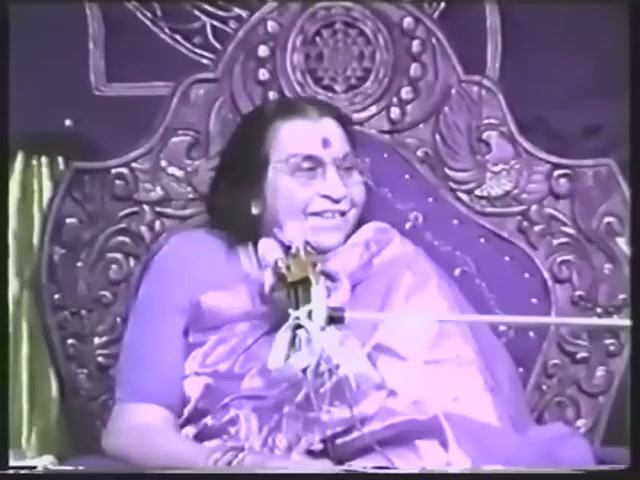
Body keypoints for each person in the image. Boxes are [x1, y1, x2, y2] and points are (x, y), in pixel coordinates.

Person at [101, 97, 596, 470]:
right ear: (253, 191)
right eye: (308, 170)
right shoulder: (192, 260)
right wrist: (251, 466)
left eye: (347, 169)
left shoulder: (389, 269)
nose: (338, 191)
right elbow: (132, 429)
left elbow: (446, 427)